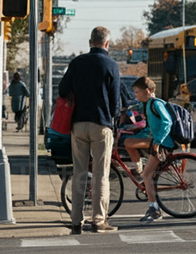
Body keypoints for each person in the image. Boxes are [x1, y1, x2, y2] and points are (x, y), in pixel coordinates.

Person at [58, 26, 121, 234]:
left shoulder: (77, 63)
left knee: (79, 172)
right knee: (101, 174)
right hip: (101, 124)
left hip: (78, 123)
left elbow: (62, 90)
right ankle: (99, 220)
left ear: (89, 42)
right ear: (107, 44)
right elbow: (115, 102)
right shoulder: (111, 65)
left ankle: (76, 220)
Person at [123, 77, 174, 224]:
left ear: (147, 91)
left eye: (137, 92)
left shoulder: (156, 103)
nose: (135, 95)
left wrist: (157, 142)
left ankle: (154, 209)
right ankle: (139, 168)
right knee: (128, 142)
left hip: (163, 144)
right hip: (156, 141)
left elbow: (167, 122)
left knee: (148, 175)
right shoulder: (147, 104)